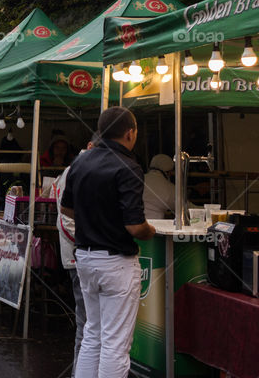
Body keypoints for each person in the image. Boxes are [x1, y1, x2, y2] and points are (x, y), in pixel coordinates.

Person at [60, 106, 156, 378]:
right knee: (115, 343)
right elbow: (135, 226)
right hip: (116, 262)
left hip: (85, 259)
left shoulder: (81, 161)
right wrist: (150, 231)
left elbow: (67, 209)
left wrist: (94, 217)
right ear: (130, 133)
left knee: (93, 333)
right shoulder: (129, 166)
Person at [53, 133, 97, 378]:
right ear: (89, 146)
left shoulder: (78, 169)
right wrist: (88, 241)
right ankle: (80, 372)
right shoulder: (75, 171)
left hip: (82, 254)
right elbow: (66, 218)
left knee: (90, 322)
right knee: (86, 323)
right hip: (78, 255)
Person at [143, 154, 178, 220]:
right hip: (155, 225)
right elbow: (182, 206)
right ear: (168, 172)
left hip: (134, 223)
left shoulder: (139, 179)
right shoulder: (168, 187)